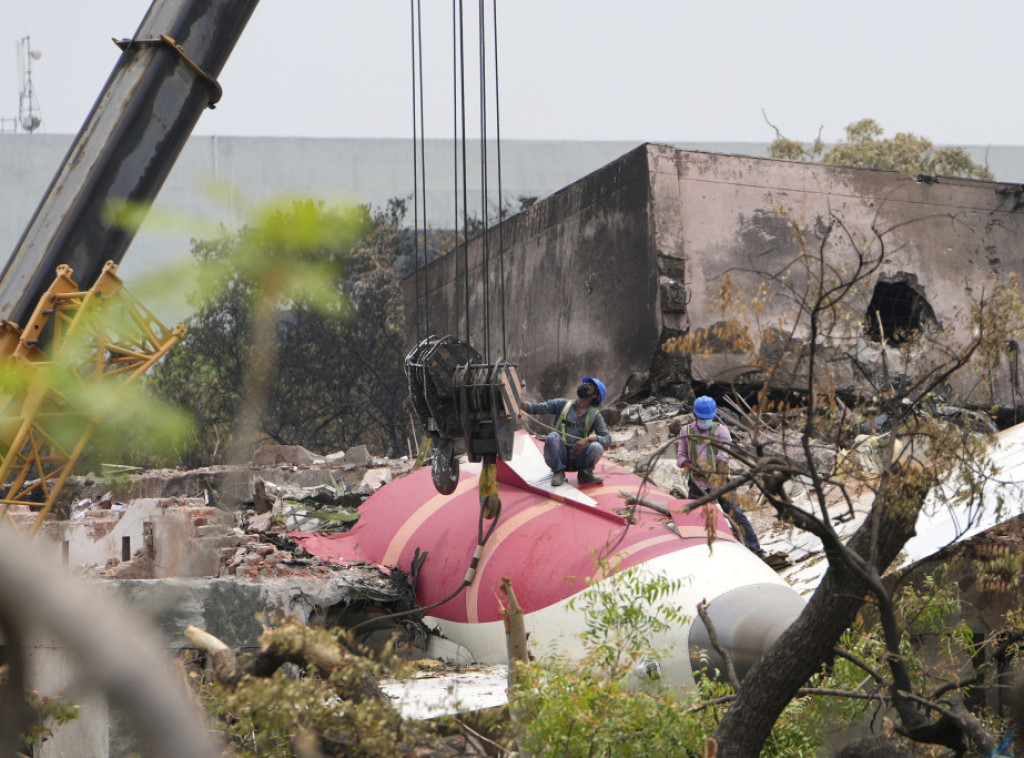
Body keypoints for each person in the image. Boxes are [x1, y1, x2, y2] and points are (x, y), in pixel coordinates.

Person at [677, 395, 766, 558]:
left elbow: (723, 457)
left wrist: (719, 482)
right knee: (692, 517)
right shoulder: (686, 431)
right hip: (698, 483)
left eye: (708, 418)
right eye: (702, 418)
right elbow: (681, 456)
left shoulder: (721, 431)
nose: (705, 421)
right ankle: (697, 552)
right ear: (695, 416)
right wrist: (690, 466)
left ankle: (756, 550)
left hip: (721, 480)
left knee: (735, 513)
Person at [520, 377, 612, 486]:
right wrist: (518, 403)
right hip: (561, 454)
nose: (586, 385)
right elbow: (536, 408)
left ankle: (585, 474)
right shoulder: (562, 404)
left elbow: (607, 439)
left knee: (597, 447)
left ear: (595, 395)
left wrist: (588, 439)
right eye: (586, 383)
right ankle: (558, 472)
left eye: (590, 385)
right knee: (553, 436)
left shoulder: (595, 415)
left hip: (579, 457)